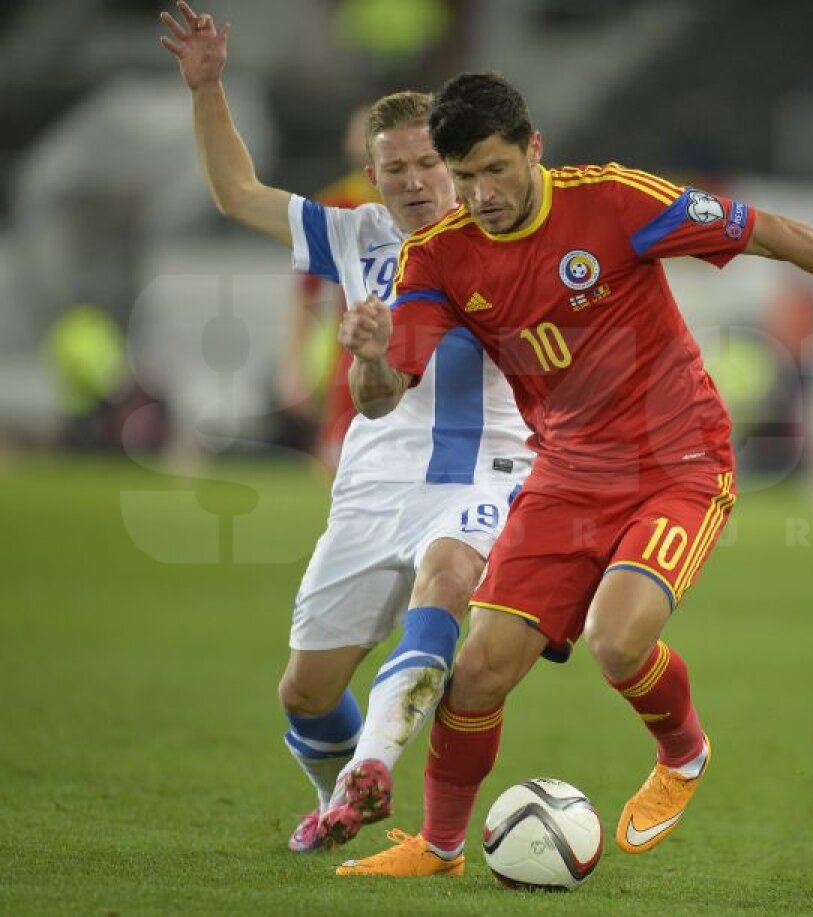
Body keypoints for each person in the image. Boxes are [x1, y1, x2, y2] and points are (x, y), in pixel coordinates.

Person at [334, 72, 813, 877]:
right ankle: (440, 846)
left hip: (678, 463)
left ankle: (683, 752)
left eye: (496, 169)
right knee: (477, 671)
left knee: (616, 636)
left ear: (534, 148)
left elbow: (768, 231)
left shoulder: (611, 200)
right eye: (463, 177)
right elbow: (381, 394)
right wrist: (367, 358)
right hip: (566, 473)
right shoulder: (438, 254)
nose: (480, 193)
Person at [158, 5, 532, 853]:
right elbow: (236, 193)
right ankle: (341, 798)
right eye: (392, 167)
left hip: (486, 470)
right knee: (304, 691)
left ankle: (374, 763)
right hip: (371, 480)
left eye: (428, 161)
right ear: (368, 175)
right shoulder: (351, 233)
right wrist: (209, 86)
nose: (412, 181)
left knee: (448, 578)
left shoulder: (505, 233)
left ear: (455, 160)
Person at [277, 103, 380, 473]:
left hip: (420, 354)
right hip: (351, 358)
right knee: (339, 465)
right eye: (360, 131)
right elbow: (307, 294)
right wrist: (294, 367)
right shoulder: (335, 205)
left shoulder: (429, 206)